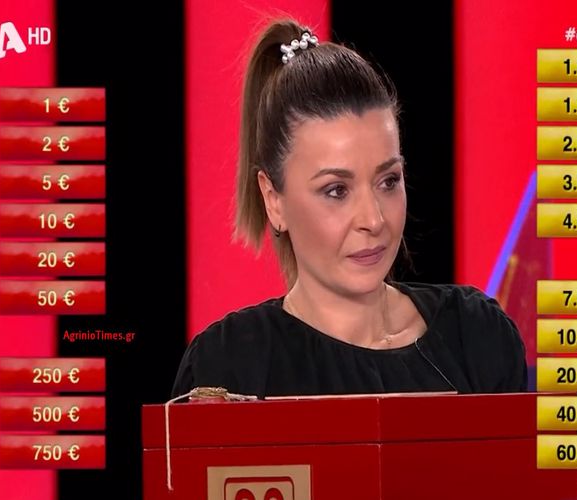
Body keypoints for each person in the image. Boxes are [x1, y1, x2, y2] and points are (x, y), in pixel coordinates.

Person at [171, 18, 526, 399]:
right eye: (336, 190)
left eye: (388, 181)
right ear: (274, 200)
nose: (374, 219)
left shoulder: (477, 336)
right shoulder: (229, 367)